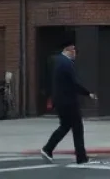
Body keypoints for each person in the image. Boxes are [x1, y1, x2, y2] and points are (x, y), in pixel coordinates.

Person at [41, 36, 96, 165]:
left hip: (60, 100)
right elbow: (74, 83)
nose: (75, 54)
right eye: (75, 51)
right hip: (68, 101)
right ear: (69, 49)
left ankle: (48, 149)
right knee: (77, 127)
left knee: (65, 126)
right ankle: (81, 158)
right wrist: (88, 93)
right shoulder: (66, 63)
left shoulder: (56, 61)